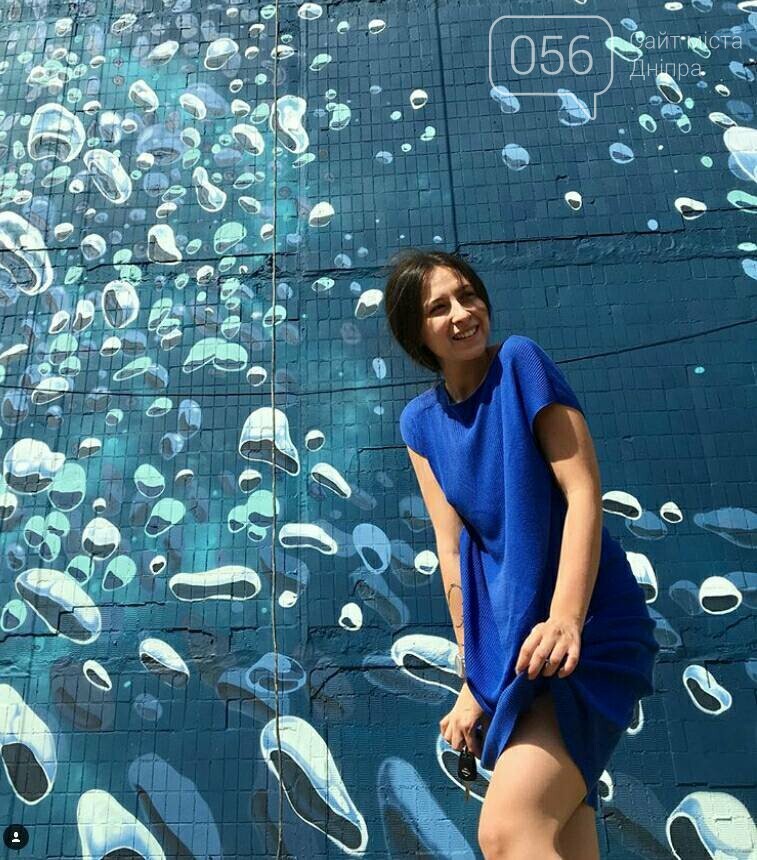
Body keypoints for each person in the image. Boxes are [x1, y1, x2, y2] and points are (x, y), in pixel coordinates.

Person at [384, 249, 660, 860]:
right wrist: (473, 679)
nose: (463, 313)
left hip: (586, 626)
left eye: (468, 295)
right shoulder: (419, 425)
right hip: (516, 649)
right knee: (556, 836)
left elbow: (583, 491)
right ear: (415, 332)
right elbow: (452, 549)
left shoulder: (520, 363)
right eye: (438, 307)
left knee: (508, 830)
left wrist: (565, 618)